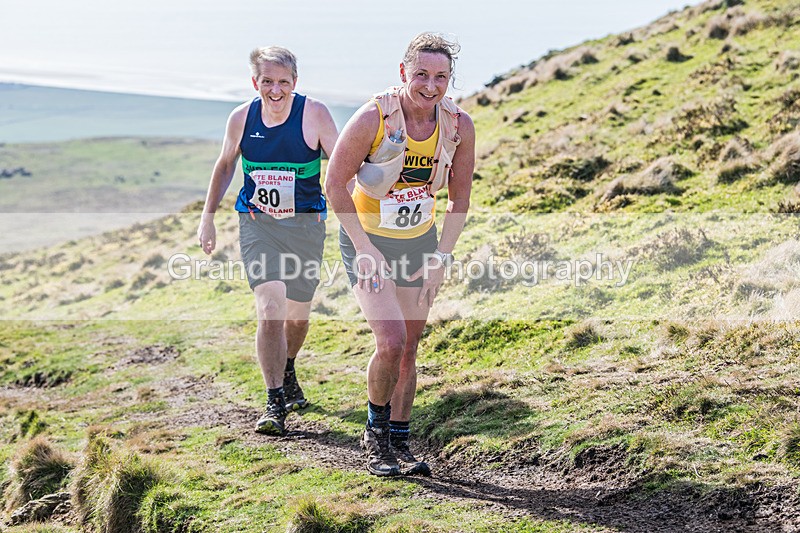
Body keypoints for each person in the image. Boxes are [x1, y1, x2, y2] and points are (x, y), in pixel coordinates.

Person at [325, 33, 475, 476]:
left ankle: (401, 442)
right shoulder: (373, 117)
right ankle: (375, 436)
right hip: (367, 241)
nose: (431, 85)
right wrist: (365, 248)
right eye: (422, 75)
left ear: (450, 80)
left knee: (409, 347)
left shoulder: (458, 125)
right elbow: (335, 184)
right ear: (404, 72)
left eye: (441, 77)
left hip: (420, 243)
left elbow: (459, 200)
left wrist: (441, 257)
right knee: (389, 341)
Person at [198, 46, 338, 435]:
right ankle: (274, 400)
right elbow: (226, 163)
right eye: (267, 82)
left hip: (306, 226)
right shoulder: (241, 117)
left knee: (297, 314)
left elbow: (342, 164)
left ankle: (288, 366)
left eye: (283, 82)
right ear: (254, 82)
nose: (275, 90)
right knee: (270, 306)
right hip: (258, 225)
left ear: (295, 81)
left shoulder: (315, 115)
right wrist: (207, 217)